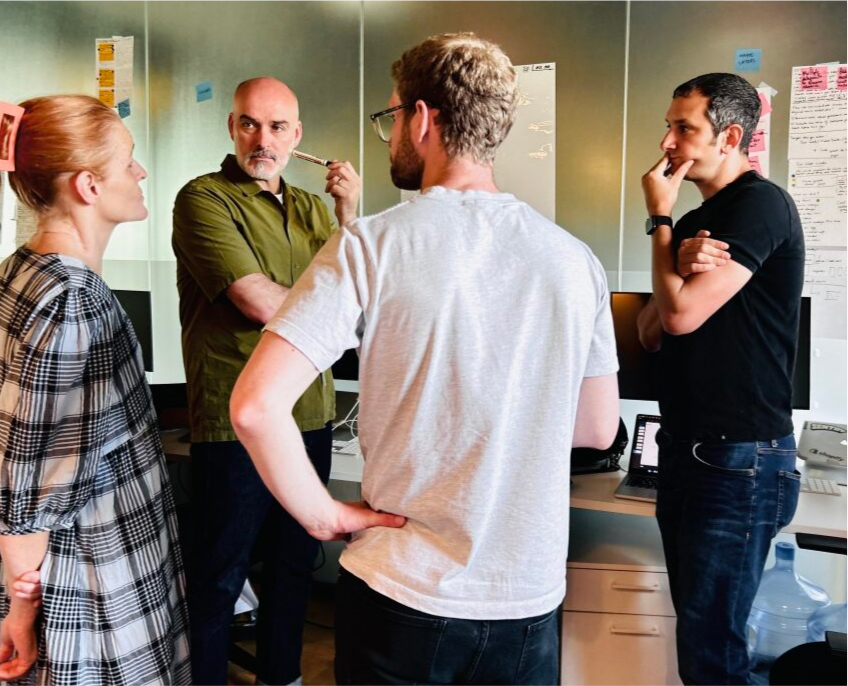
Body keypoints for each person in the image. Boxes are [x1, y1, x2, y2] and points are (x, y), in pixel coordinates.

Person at [229, 33, 620, 685]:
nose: (389, 138)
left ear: (422, 118)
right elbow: (595, 430)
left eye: (390, 118)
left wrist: (324, 515)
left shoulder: (370, 246)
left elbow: (255, 406)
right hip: (527, 602)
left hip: (400, 593)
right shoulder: (573, 260)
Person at [0, 95, 191, 685]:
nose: (140, 171)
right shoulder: (72, 300)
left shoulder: (18, 271)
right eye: (128, 160)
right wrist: (25, 604)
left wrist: (20, 572)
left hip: (62, 564)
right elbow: (25, 475)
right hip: (95, 574)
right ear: (88, 185)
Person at [171, 76, 361, 686]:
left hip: (309, 413)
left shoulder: (312, 209)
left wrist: (350, 216)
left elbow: (360, 290)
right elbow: (257, 301)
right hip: (236, 418)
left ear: (297, 136)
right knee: (219, 572)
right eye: (250, 124)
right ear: (231, 127)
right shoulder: (203, 199)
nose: (263, 139)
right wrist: (338, 316)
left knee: (293, 564)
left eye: (278, 127)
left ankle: (284, 678)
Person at [637, 73, 805, 685]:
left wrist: (658, 217)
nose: (668, 142)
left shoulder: (760, 206)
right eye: (670, 124)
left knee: (713, 654)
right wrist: (673, 253)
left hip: (739, 459)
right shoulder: (696, 222)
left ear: (730, 135)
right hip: (688, 450)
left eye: (685, 128)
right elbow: (651, 331)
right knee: (701, 638)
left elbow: (679, 315)